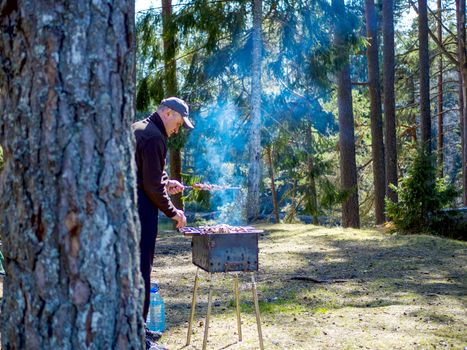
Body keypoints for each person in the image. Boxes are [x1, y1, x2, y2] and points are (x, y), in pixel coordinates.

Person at [132, 97, 194, 347]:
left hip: (127, 209)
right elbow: (150, 185)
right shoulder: (154, 136)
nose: (178, 129)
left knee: (134, 269)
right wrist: (173, 212)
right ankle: (139, 337)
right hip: (139, 210)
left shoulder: (141, 128)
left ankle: (137, 327)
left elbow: (148, 173)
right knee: (141, 270)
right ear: (167, 113)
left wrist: (166, 182)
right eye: (178, 123)